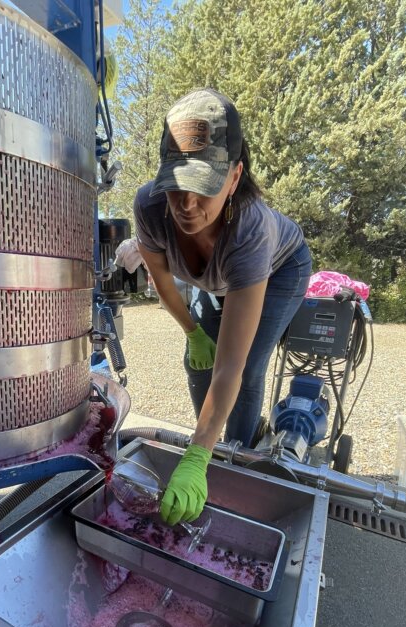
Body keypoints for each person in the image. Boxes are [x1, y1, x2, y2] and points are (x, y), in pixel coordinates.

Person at [132, 88, 312, 526]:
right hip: (214, 279)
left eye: (204, 187)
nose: (187, 205)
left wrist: (194, 457)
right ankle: (211, 442)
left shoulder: (251, 230)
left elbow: (230, 365)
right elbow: (163, 285)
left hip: (280, 270)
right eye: (177, 185)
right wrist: (193, 332)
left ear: (234, 178)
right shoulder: (150, 207)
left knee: (245, 369)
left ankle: (234, 463)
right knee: (199, 360)